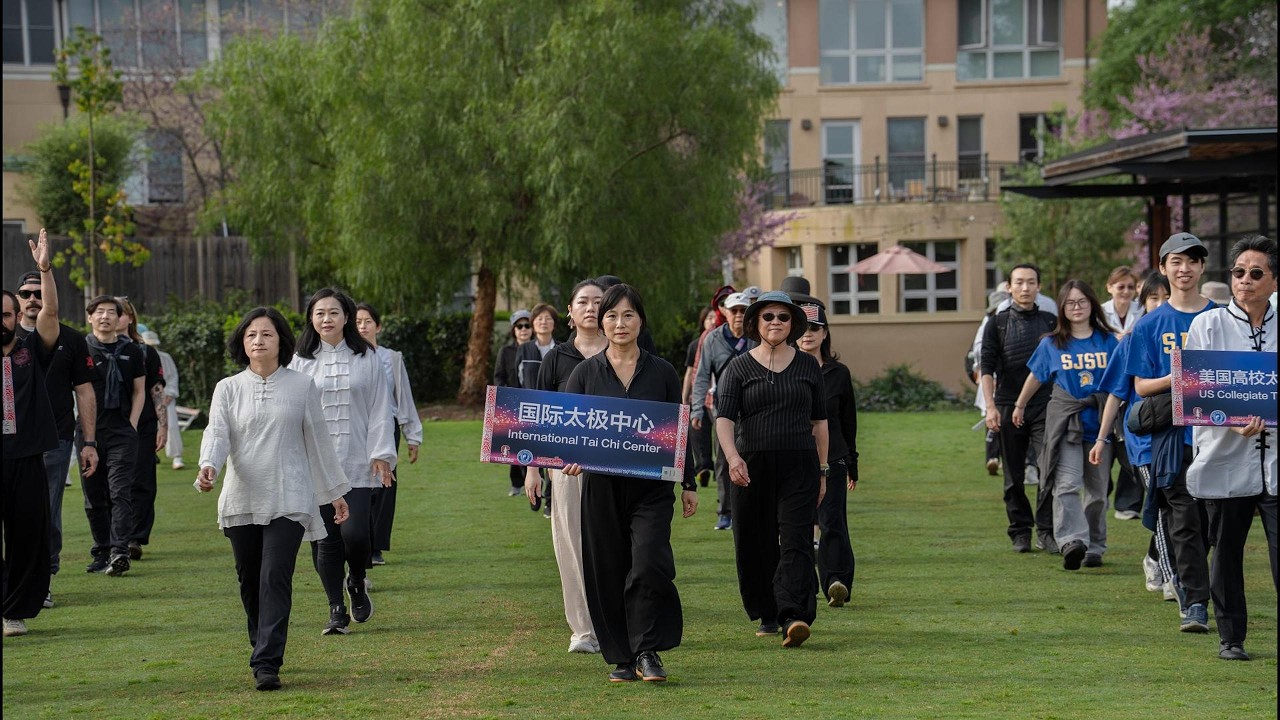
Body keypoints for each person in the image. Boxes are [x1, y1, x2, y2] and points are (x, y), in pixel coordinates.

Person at [197, 307, 352, 690]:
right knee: (250, 581)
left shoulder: (301, 386)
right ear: (242, 343)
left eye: (266, 334)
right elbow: (217, 435)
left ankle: (267, 662)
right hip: (242, 496)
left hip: (290, 494)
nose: (258, 341)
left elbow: (318, 442)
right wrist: (208, 467)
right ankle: (261, 643)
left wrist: (334, 493)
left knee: (274, 577)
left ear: (281, 341)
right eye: (251, 335)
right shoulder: (228, 388)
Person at [561, 284, 699, 682]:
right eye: (611, 316)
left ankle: (649, 649)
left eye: (628, 316)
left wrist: (688, 481)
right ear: (601, 323)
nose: (619, 324)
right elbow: (568, 432)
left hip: (652, 489)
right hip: (601, 488)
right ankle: (624, 656)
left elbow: (679, 431)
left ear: (640, 320)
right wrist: (568, 457)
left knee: (649, 562)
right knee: (608, 568)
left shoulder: (663, 372)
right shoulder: (584, 374)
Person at [715, 290, 828, 648]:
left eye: (783, 317)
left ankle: (794, 615)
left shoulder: (809, 366)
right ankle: (767, 611)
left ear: (793, 324)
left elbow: (820, 423)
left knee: (796, 539)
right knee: (754, 539)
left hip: (800, 464)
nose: (775, 322)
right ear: (756, 323)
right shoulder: (739, 367)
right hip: (751, 465)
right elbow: (724, 420)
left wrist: (823, 471)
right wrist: (733, 458)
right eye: (768, 317)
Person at [1183, 235, 1277, 661]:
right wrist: (1234, 419)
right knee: (1226, 553)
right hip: (1226, 455)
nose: (1244, 280)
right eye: (1238, 272)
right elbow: (1193, 392)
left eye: (1256, 273)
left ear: (1274, 280)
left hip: (1276, 460)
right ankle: (1231, 638)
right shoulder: (1208, 325)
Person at [1125, 232, 1217, 633]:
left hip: (1218, 437)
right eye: (1176, 262)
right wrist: (1181, 376)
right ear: (1163, 268)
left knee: (1211, 523)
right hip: (1172, 438)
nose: (1185, 269)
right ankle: (1195, 603)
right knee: (1183, 521)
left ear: (1202, 267)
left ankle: (1193, 583)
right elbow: (1141, 386)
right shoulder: (1149, 324)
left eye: (1192, 261)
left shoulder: (1221, 318)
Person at [291, 288, 395, 635]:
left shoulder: (367, 357)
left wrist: (381, 453)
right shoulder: (300, 360)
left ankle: (357, 579)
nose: (326, 319)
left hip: (357, 461)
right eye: (319, 313)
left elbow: (381, 407)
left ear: (346, 317)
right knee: (325, 539)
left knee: (355, 535)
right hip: (315, 463)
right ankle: (336, 608)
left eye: (333, 313)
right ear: (311, 318)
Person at [523, 278, 607, 653]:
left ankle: (614, 621)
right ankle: (583, 629)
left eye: (598, 302)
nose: (591, 307)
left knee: (613, 542)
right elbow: (539, 416)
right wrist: (532, 469)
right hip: (565, 467)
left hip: (614, 465)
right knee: (571, 542)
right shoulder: (555, 358)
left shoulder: (628, 350)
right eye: (583, 302)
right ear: (569, 314)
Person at [1013, 281, 1117, 570]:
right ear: (1062, 308)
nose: (1076, 307)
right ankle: (1072, 541)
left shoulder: (1108, 341)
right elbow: (1036, 375)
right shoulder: (1052, 342)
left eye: (1082, 301)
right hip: (1066, 425)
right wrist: (1020, 404)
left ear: (1092, 304)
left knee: (1097, 493)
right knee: (1067, 485)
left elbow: (1122, 381)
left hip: (1099, 426)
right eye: (1070, 303)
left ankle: (1095, 546)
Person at [13, 268, 97, 608]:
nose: (33, 298)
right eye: (26, 293)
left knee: (46, 509)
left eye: (39, 292)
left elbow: (85, 392)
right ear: (17, 302)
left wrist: (88, 442)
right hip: (9, 441)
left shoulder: (69, 339)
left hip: (55, 438)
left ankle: (43, 576)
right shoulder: (8, 339)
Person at [1091, 276, 1179, 600]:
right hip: (1143, 441)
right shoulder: (1132, 339)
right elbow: (1115, 394)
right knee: (1162, 502)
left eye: (1165, 297)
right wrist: (1102, 439)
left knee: (1180, 507)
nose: (1159, 304)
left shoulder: (1191, 334)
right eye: (1152, 298)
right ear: (1143, 303)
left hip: (1183, 435)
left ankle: (1155, 557)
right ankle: (1173, 579)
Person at [2, 231, 61, 637]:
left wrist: (44, 269)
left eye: (6, 314)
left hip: (25, 458)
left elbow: (51, 317)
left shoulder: (31, 348)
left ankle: (13, 611)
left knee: (26, 534)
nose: (1, 321)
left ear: (14, 317)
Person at [980, 264, 1057, 553]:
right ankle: (1020, 531)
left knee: (1047, 467)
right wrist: (990, 407)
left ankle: (1047, 530)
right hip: (1006, 403)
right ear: (1009, 287)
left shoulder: (1051, 322)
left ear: (1039, 286)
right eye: (1019, 283)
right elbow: (986, 367)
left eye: (1031, 282)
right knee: (1013, 473)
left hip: (1046, 404)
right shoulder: (996, 323)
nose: (1025, 288)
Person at [795, 301, 858, 608]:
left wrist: (852, 463)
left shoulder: (839, 373)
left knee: (832, 520)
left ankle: (837, 581)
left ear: (824, 333)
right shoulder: (784, 371)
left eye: (814, 328)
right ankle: (800, 588)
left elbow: (848, 420)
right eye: (803, 329)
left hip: (833, 458)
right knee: (800, 525)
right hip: (795, 457)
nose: (807, 335)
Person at [81, 294, 147, 576]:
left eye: (112, 312)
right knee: (94, 496)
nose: (106, 317)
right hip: (88, 433)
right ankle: (101, 550)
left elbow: (140, 390)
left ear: (121, 318)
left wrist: (132, 424)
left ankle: (120, 551)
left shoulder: (132, 351)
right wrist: (87, 437)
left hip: (121, 431)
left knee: (120, 492)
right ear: (90, 317)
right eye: (100, 312)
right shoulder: (81, 349)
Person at [355, 303, 422, 567]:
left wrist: (412, 435)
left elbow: (403, 395)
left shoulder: (391, 358)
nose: (362, 326)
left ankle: (376, 546)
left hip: (387, 425)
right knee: (359, 484)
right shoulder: (346, 357)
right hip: (357, 426)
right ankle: (358, 542)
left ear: (378, 326)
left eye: (368, 321)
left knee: (385, 483)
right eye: (358, 321)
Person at [691, 292, 756, 531]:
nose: (739, 315)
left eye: (743, 310)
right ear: (725, 312)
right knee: (724, 461)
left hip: (754, 408)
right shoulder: (712, 339)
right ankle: (726, 511)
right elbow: (701, 377)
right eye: (734, 310)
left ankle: (751, 509)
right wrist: (697, 409)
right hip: (723, 409)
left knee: (754, 458)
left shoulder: (756, 336)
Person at [117, 299, 167, 561]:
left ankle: (135, 537)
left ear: (130, 318)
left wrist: (163, 426)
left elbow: (157, 390)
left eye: (120, 313)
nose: (113, 318)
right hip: (109, 424)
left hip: (144, 425)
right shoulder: (91, 348)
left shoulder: (146, 352)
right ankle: (114, 539)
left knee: (142, 481)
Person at [971, 288, 1010, 476]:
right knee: (992, 419)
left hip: (1009, 381)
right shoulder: (989, 324)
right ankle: (992, 458)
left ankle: (1001, 458)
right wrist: (982, 372)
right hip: (993, 378)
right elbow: (979, 351)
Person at [496, 309, 535, 498]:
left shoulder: (539, 350)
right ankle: (516, 483)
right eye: (519, 326)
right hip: (513, 406)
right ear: (514, 330)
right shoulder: (506, 352)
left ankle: (539, 482)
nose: (524, 329)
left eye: (527, 325)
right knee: (514, 446)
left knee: (538, 445)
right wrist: (505, 400)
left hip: (536, 405)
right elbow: (499, 377)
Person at [681, 307, 716, 488]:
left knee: (719, 433)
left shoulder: (722, 341)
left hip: (717, 397)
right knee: (698, 432)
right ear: (702, 321)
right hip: (699, 395)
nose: (711, 321)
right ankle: (703, 466)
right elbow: (690, 372)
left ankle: (716, 467)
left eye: (714, 317)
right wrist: (685, 396)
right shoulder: (695, 344)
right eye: (708, 318)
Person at [143, 329, 185, 470]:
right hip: (145, 398)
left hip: (166, 398)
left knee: (171, 426)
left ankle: (177, 456)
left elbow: (173, 377)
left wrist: (169, 394)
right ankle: (149, 455)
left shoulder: (165, 357)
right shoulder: (138, 355)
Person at [514, 303, 558, 391]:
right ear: (532, 324)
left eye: (548, 318)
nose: (544, 322)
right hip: (529, 400)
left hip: (555, 402)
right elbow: (518, 379)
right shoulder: (524, 349)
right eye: (539, 318)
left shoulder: (562, 350)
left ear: (554, 323)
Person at [1101, 266, 1143, 337]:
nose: (1126, 291)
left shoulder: (1142, 311)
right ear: (1109, 288)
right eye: (1121, 287)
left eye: (1130, 287)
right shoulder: (1101, 312)